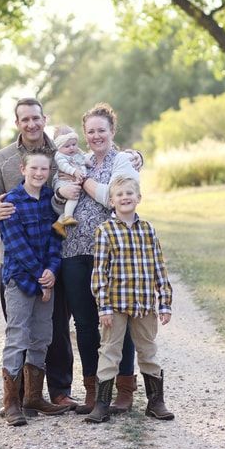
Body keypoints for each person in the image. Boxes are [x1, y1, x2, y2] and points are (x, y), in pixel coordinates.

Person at [0, 98, 78, 410]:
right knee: (18, 326)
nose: (32, 124)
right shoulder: (2, 159)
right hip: (16, 259)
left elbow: (92, 165)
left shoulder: (61, 153)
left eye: (36, 118)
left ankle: (59, 391)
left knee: (55, 328)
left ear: (44, 119)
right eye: (25, 119)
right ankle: (18, 398)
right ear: (17, 123)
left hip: (55, 253)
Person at [57, 102, 142, 415]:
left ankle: (124, 388)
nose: (95, 136)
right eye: (90, 131)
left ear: (112, 131)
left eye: (101, 130)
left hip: (112, 253)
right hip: (74, 251)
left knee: (120, 318)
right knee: (85, 324)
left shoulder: (123, 161)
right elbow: (60, 191)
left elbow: (111, 196)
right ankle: (94, 389)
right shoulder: (79, 161)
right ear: (84, 134)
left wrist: (85, 183)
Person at [85, 176, 174, 424]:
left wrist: (164, 302)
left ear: (138, 198)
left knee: (148, 350)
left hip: (145, 303)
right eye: (119, 195)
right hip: (115, 304)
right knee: (110, 350)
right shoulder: (105, 231)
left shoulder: (148, 229)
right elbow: (99, 272)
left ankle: (156, 402)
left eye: (129, 193)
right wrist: (103, 307)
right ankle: (101, 404)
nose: (125, 197)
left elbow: (159, 267)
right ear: (111, 202)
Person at [0, 151, 70, 426]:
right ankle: (12, 403)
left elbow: (57, 236)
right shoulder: (11, 203)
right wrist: (41, 274)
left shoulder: (50, 201)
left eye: (44, 169)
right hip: (20, 279)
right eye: (34, 168)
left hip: (45, 279)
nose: (39, 173)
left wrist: (53, 269)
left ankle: (33, 397)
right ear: (23, 169)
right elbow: (16, 246)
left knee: (42, 336)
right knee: (18, 336)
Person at [51, 125, 91, 238]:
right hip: (62, 182)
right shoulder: (60, 156)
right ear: (59, 147)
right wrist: (75, 172)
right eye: (67, 146)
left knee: (74, 205)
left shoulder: (76, 153)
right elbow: (64, 167)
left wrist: (87, 161)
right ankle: (68, 217)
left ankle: (59, 224)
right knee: (74, 196)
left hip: (71, 181)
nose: (71, 148)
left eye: (74, 144)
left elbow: (83, 159)